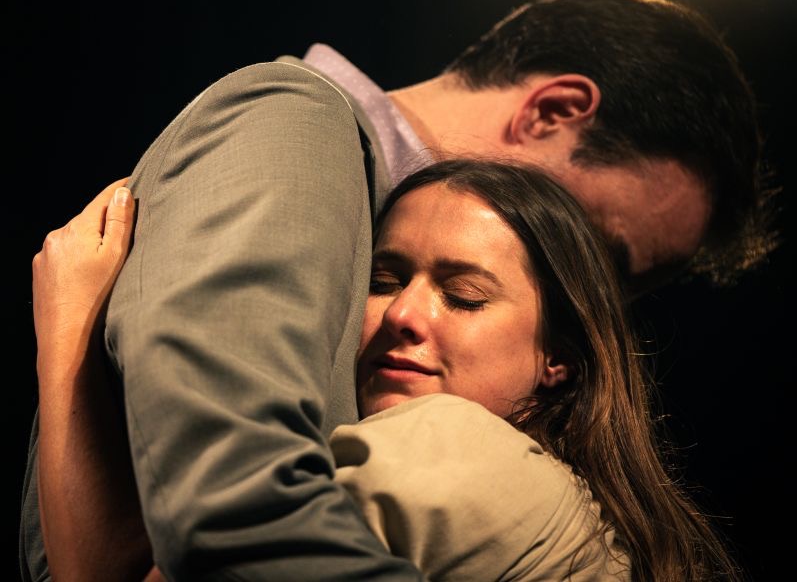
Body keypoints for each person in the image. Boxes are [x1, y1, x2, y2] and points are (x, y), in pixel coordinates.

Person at [21, 0, 770, 581]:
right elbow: (230, 510)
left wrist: (65, 340)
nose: (590, 297)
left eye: (462, 293)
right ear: (552, 112)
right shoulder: (299, 128)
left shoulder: (482, 461)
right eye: (607, 251)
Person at [31, 159, 742, 581]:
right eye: (383, 280)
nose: (403, 313)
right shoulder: (579, 513)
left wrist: (67, 326)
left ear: (559, 359)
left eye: (464, 296)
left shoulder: (462, 448)